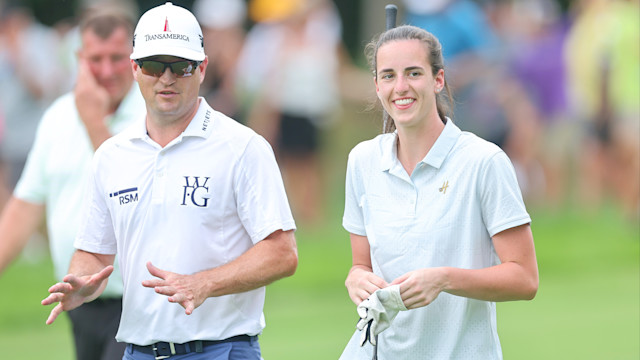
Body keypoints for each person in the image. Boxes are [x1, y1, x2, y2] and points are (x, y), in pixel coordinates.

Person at [41, 3, 298, 360]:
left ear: (202, 67)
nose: (166, 78)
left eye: (181, 66)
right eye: (152, 65)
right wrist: (81, 283)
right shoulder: (111, 156)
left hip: (221, 349)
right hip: (138, 351)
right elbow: (94, 251)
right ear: (135, 68)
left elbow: (282, 252)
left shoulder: (244, 148)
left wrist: (205, 283)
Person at [339, 25, 539, 359]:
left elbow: (524, 278)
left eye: (413, 73)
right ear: (376, 86)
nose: (400, 87)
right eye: (388, 76)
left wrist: (444, 279)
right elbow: (361, 265)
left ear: (438, 79)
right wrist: (355, 280)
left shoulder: (483, 162)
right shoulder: (362, 161)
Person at [0, 8, 144, 360]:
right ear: (80, 59)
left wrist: (93, 119)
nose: (107, 70)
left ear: (134, 60)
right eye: (96, 59)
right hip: (79, 301)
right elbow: (25, 205)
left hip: (139, 302)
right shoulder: (57, 117)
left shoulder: (151, 115)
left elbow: (130, 189)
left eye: (116, 58)